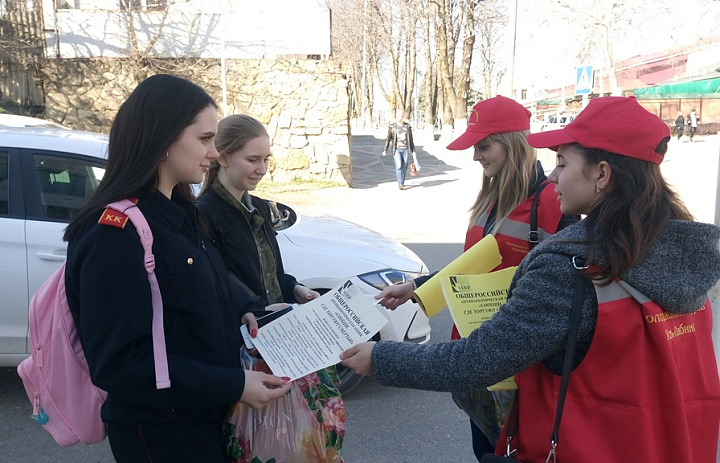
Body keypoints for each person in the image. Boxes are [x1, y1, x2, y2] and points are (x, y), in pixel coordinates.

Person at [341, 96, 720, 462]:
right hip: (660, 444)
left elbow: (480, 360)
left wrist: (382, 357)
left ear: (602, 173)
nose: (553, 173)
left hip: (587, 445)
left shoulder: (570, 266)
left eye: (562, 161)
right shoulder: (680, 249)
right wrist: (423, 287)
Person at [63, 74, 292, 463]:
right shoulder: (115, 233)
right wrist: (234, 384)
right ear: (164, 138)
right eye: (205, 139)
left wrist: (241, 310)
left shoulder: (182, 214)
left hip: (205, 419)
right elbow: (121, 365)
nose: (215, 151)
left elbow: (193, 299)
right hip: (162, 435)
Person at [373, 95, 578, 460]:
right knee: (484, 451)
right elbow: (472, 267)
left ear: (513, 144)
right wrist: (417, 287)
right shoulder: (491, 195)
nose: (475, 156)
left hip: (517, 366)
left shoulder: (555, 204)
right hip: (476, 357)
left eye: (483, 146)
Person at [195, 114, 345, 462]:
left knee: (300, 436)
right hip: (248, 345)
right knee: (262, 442)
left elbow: (270, 269)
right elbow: (214, 282)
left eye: (266, 159)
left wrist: (295, 289)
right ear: (223, 156)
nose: (262, 168)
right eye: (252, 159)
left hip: (282, 337)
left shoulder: (258, 206)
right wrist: (253, 308)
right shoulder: (204, 214)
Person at [383, 112, 416, 190]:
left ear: (403, 116)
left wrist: (413, 151)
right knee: (399, 166)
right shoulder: (393, 126)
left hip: (405, 149)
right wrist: (385, 149)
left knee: (404, 167)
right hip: (396, 149)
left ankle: (402, 181)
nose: (398, 117)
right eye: (397, 115)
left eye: (400, 115)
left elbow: (410, 140)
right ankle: (400, 183)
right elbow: (388, 139)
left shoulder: (407, 126)